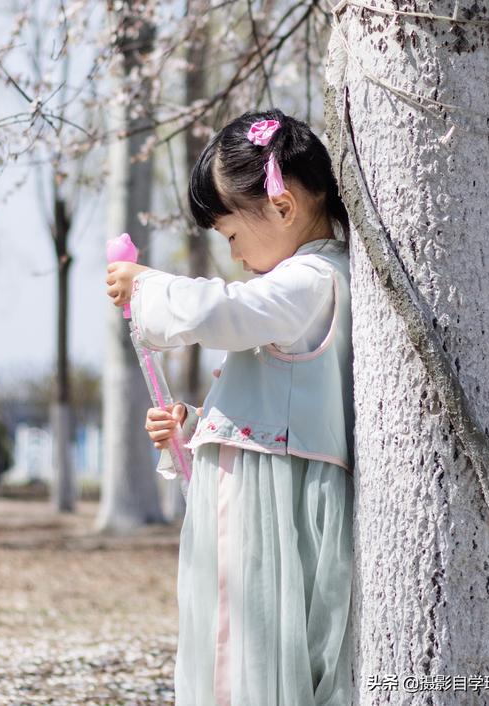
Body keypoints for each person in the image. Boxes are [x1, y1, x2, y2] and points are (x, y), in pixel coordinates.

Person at [105, 108, 354, 706]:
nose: (236, 257)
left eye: (233, 237)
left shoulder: (311, 279)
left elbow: (225, 314)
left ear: (283, 206)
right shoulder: (306, 283)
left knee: (250, 655)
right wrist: (192, 429)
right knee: (238, 647)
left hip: (270, 511)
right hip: (261, 486)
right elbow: (269, 400)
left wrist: (146, 286)